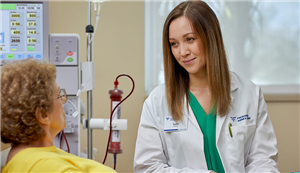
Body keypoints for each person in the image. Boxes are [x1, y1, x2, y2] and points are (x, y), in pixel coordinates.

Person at [134, 0, 279, 172]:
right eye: (174, 43)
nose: (182, 52)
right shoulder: (157, 101)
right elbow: (147, 167)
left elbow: (263, 161)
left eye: (190, 39)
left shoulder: (249, 94)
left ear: (210, 36)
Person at [0, 59, 115, 173]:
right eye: (59, 95)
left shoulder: (35, 155)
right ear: (43, 114)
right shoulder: (42, 166)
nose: (64, 101)